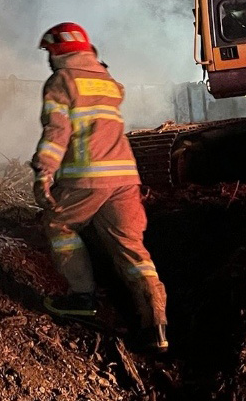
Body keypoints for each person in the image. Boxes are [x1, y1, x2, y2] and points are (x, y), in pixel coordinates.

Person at [31, 22, 168, 352]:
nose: (49, 60)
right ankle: (157, 325)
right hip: (125, 179)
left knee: (58, 223)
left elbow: (56, 134)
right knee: (131, 248)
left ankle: (81, 297)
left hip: (88, 177)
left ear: (58, 51)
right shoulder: (106, 82)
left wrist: (44, 173)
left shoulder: (60, 81)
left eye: (50, 53)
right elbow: (119, 91)